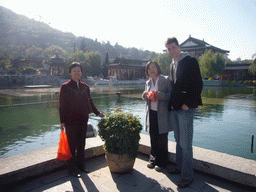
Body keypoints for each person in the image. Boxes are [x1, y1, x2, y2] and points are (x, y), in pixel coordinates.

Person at [165, 37, 203, 188]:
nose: (171, 51)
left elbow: (198, 84)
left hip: (186, 107)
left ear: (179, 46)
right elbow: (174, 86)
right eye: (168, 49)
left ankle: (187, 176)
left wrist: (188, 103)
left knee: (186, 143)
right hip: (176, 106)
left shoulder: (190, 61)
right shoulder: (172, 64)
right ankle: (180, 167)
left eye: (173, 47)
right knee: (178, 139)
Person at [59, 62, 104, 177]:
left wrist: (97, 113)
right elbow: (62, 105)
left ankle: (81, 166)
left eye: (79, 70)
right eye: (74, 71)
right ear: (70, 73)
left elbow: (90, 102)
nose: (77, 72)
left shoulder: (85, 86)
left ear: (81, 72)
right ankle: (71, 168)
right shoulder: (65, 87)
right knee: (72, 146)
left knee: (81, 144)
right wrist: (62, 121)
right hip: (70, 121)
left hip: (83, 119)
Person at [142, 61, 172, 171]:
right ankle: (152, 160)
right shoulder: (148, 82)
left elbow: (171, 95)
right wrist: (145, 95)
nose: (152, 70)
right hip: (151, 113)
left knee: (162, 138)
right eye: (149, 68)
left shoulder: (165, 79)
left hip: (162, 114)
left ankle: (162, 162)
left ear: (157, 68)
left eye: (154, 67)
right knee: (153, 137)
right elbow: (145, 95)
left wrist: (160, 95)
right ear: (147, 71)